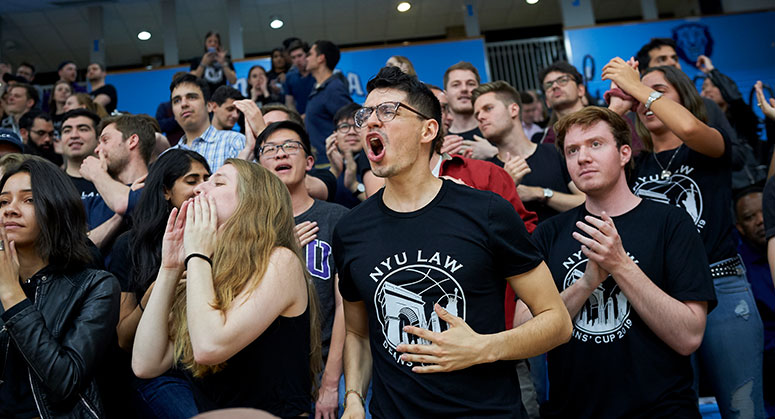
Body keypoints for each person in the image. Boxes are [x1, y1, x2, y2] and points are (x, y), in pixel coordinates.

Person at [333, 66, 571, 417]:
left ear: (429, 130)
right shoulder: (351, 230)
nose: (370, 122)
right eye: (366, 114)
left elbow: (557, 321)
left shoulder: (486, 212)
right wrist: (353, 397)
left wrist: (485, 348)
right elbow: (359, 333)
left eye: (388, 112)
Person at [520, 106, 715, 418]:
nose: (583, 157)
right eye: (572, 150)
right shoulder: (548, 234)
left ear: (625, 153)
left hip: (660, 410)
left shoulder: (670, 223)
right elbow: (522, 330)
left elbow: (688, 337)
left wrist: (620, 264)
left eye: (595, 144)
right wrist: (585, 285)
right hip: (573, 410)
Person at [604, 58, 766, 418]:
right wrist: (617, 107)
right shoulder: (635, 165)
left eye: (660, 92)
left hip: (722, 286)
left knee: (744, 408)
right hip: (663, 296)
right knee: (674, 410)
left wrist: (639, 88)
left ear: (684, 98)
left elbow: (691, 129)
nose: (646, 102)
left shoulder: (707, 143)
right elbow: (587, 172)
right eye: (641, 97)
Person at [132, 158, 321, 417]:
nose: (198, 189)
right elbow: (145, 364)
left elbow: (210, 347)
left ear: (252, 202)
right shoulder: (206, 271)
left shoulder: (280, 261)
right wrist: (170, 268)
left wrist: (197, 254)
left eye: (217, 182)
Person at [0, 156, 120, 418]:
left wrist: (11, 294)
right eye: (3, 201)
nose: (10, 209)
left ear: (57, 207)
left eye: (28, 200)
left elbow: (64, 381)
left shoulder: (96, 286)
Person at [109, 149, 210, 418]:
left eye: (207, 179)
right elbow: (123, 339)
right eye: (191, 180)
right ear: (166, 191)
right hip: (159, 373)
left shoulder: (219, 238)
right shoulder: (130, 245)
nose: (202, 188)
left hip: (209, 368)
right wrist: (159, 287)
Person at [257, 120, 348, 418]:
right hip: (270, 375)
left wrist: (331, 384)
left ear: (309, 162)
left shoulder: (338, 219)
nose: (281, 154)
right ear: (259, 166)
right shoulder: (247, 229)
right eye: (270, 150)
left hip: (329, 365)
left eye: (290, 147)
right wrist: (282, 250)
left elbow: (346, 306)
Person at [473, 80, 585, 223]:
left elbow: (586, 202)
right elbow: (485, 224)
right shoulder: (485, 172)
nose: (480, 117)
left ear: (513, 110)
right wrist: (507, 186)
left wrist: (540, 193)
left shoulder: (555, 152)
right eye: (477, 114)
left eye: (488, 108)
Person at [735, 186, 775, 417]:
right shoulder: (739, 268)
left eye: (764, 212)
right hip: (764, 361)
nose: (761, 221)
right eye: (750, 218)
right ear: (739, 227)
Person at [167, 74, 249, 171]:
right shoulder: (166, 158)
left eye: (192, 97)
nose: (184, 104)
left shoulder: (235, 142)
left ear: (209, 106)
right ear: (173, 113)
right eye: (177, 101)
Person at [305, 40, 354, 165]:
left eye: (310, 54)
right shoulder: (318, 88)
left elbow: (350, 121)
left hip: (332, 165)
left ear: (321, 58)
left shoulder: (333, 89)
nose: (306, 58)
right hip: (321, 162)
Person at [326, 103, 369, 207]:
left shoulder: (378, 169)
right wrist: (333, 172)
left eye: (357, 126)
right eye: (344, 126)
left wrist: (354, 185)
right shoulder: (327, 173)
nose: (351, 132)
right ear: (334, 134)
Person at [60, 109, 101, 198]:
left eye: (83, 129)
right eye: (67, 131)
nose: (74, 135)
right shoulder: (50, 183)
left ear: (99, 139)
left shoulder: (115, 180)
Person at [284, 40, 316, 115]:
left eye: (300, 56)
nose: (297, 60)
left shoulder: (317, 73)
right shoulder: (289, 77)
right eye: (293, 57)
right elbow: (289, 103)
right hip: (299, 118)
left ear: (307, 55)